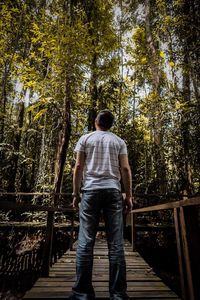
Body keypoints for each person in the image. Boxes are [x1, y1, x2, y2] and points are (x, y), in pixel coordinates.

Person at [70, 110, 133, 300]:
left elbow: (79, 167)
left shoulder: (85, 139)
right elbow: (125, 169)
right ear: (111, 124)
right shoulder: (119, 141)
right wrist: (128, 196)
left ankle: (82, 294)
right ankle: (118, 294)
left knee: (85, 241)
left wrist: (75, 193)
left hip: (90, 191)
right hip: (113, 191)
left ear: (96, 121)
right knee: (116, 243)